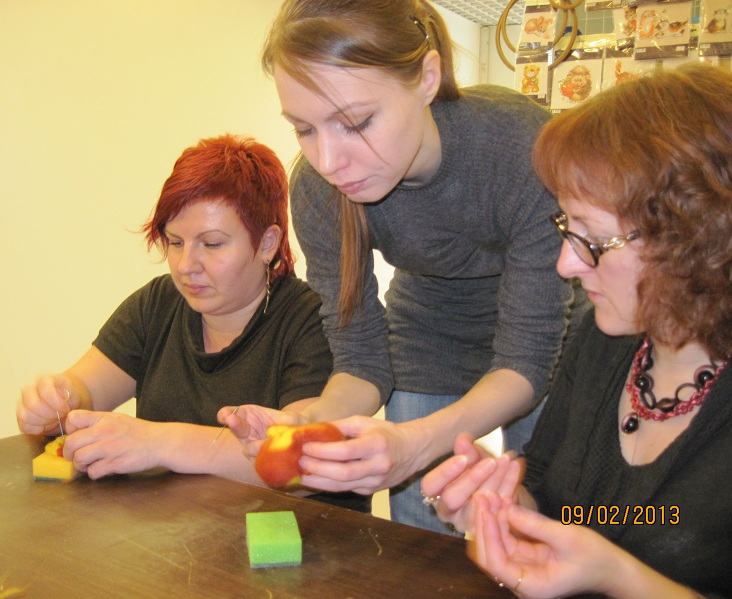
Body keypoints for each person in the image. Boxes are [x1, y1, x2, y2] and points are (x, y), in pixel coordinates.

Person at [219, 0, 581, 535]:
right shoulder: (318, 192)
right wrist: (309, 423)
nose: (328, 161)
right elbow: (360, 360)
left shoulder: (520, 147)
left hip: (549, 334)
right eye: (304, 129)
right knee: (419, 527)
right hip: (429, 330)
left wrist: (418, 443)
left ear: (427, 79)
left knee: (554, 514)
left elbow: (526, 357)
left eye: (355, 123)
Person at [421, 63, 732, 597]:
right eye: (569, 228)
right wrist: (504, 504)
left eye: (593, 238)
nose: (566, 264)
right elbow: (549, 491)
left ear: (696, 239)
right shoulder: (602, 341)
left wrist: (618, 576)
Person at [17, 134, 369, 512]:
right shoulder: (158, 304)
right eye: (175, 242)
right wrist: (54, 403)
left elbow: (303, 462)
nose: (186, 266)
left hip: (306, 537)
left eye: (212, 244)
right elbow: (82, 392)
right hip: (179, 535)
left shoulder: (313, 320)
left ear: (267, 244)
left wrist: (161, 442)